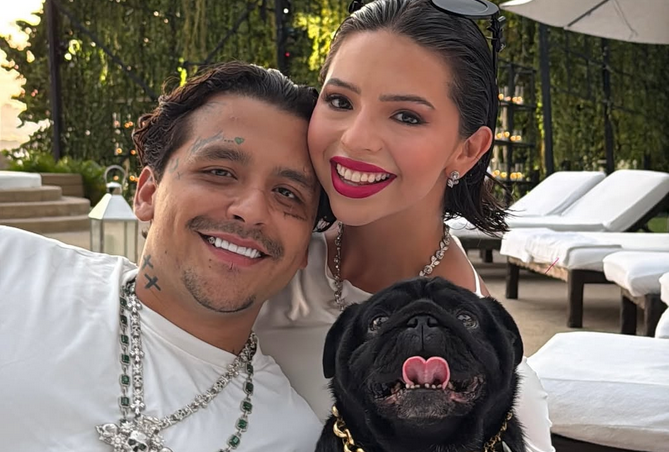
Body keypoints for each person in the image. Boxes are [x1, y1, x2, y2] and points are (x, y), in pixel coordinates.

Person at [254, 1, 556, 451]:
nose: (356, 138)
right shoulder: (259, 252)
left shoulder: (490, 383)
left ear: (468, 150)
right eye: (340, 101)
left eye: (406, 116)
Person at [0, 62, 325, 451]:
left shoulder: (293, 438)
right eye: (220, 172)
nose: (251, 210)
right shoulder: (13, 271)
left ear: (305, 247)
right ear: (147, 194)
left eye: (288, 194)